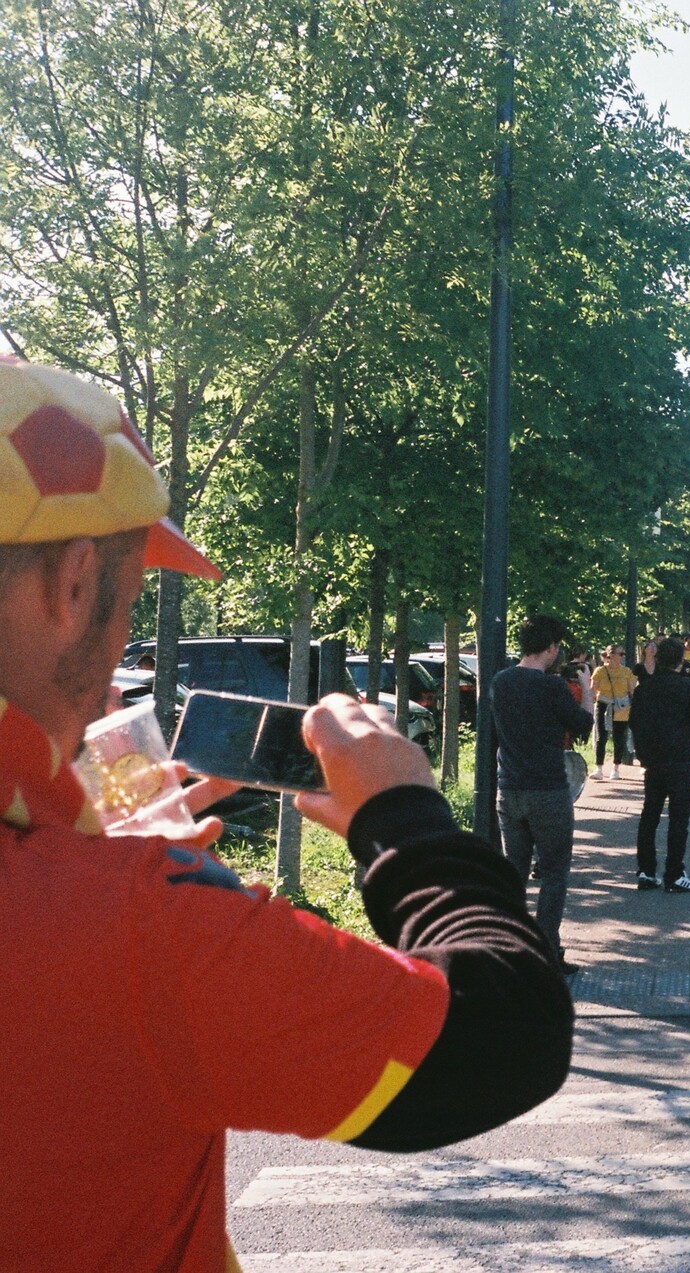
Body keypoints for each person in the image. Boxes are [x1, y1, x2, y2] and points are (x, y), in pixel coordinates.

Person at [0, 357, 570, 1267]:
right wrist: (407, 821)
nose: (117, 664)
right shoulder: (143, 926)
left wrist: (84, 840)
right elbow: (509, 1032)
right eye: (128, 599)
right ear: (74, 584)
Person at [492, 614, 595, 968]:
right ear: (551, 648)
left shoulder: (501, 682)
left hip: (510, 791)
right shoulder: (551, 687)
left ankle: (511, 949)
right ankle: (547, 951)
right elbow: (581, 726)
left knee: (515, 874)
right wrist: (588, 695)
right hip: (548, 791)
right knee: (554, 873)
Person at [631, 637, 690, 894]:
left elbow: (634, 723)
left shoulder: (644, 688)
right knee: (678, 819)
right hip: (681, 761)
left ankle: (646, 870)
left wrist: (643, 753)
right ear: (680, 661)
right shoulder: (686, 687)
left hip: (653, 762)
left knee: (649, 816)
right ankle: (674, 873)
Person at [590, 644, 639, 780]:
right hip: (604, 705)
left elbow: (631, 690)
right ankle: (599, 768)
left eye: (623, 654)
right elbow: (593, 689)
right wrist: (596, 699)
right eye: (620, 654)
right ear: (611, 655)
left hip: (621, 707)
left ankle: (615, 768)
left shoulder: (626, 672)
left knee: (619, 737)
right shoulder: (600, 671)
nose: (622, 656)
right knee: (602, 737)